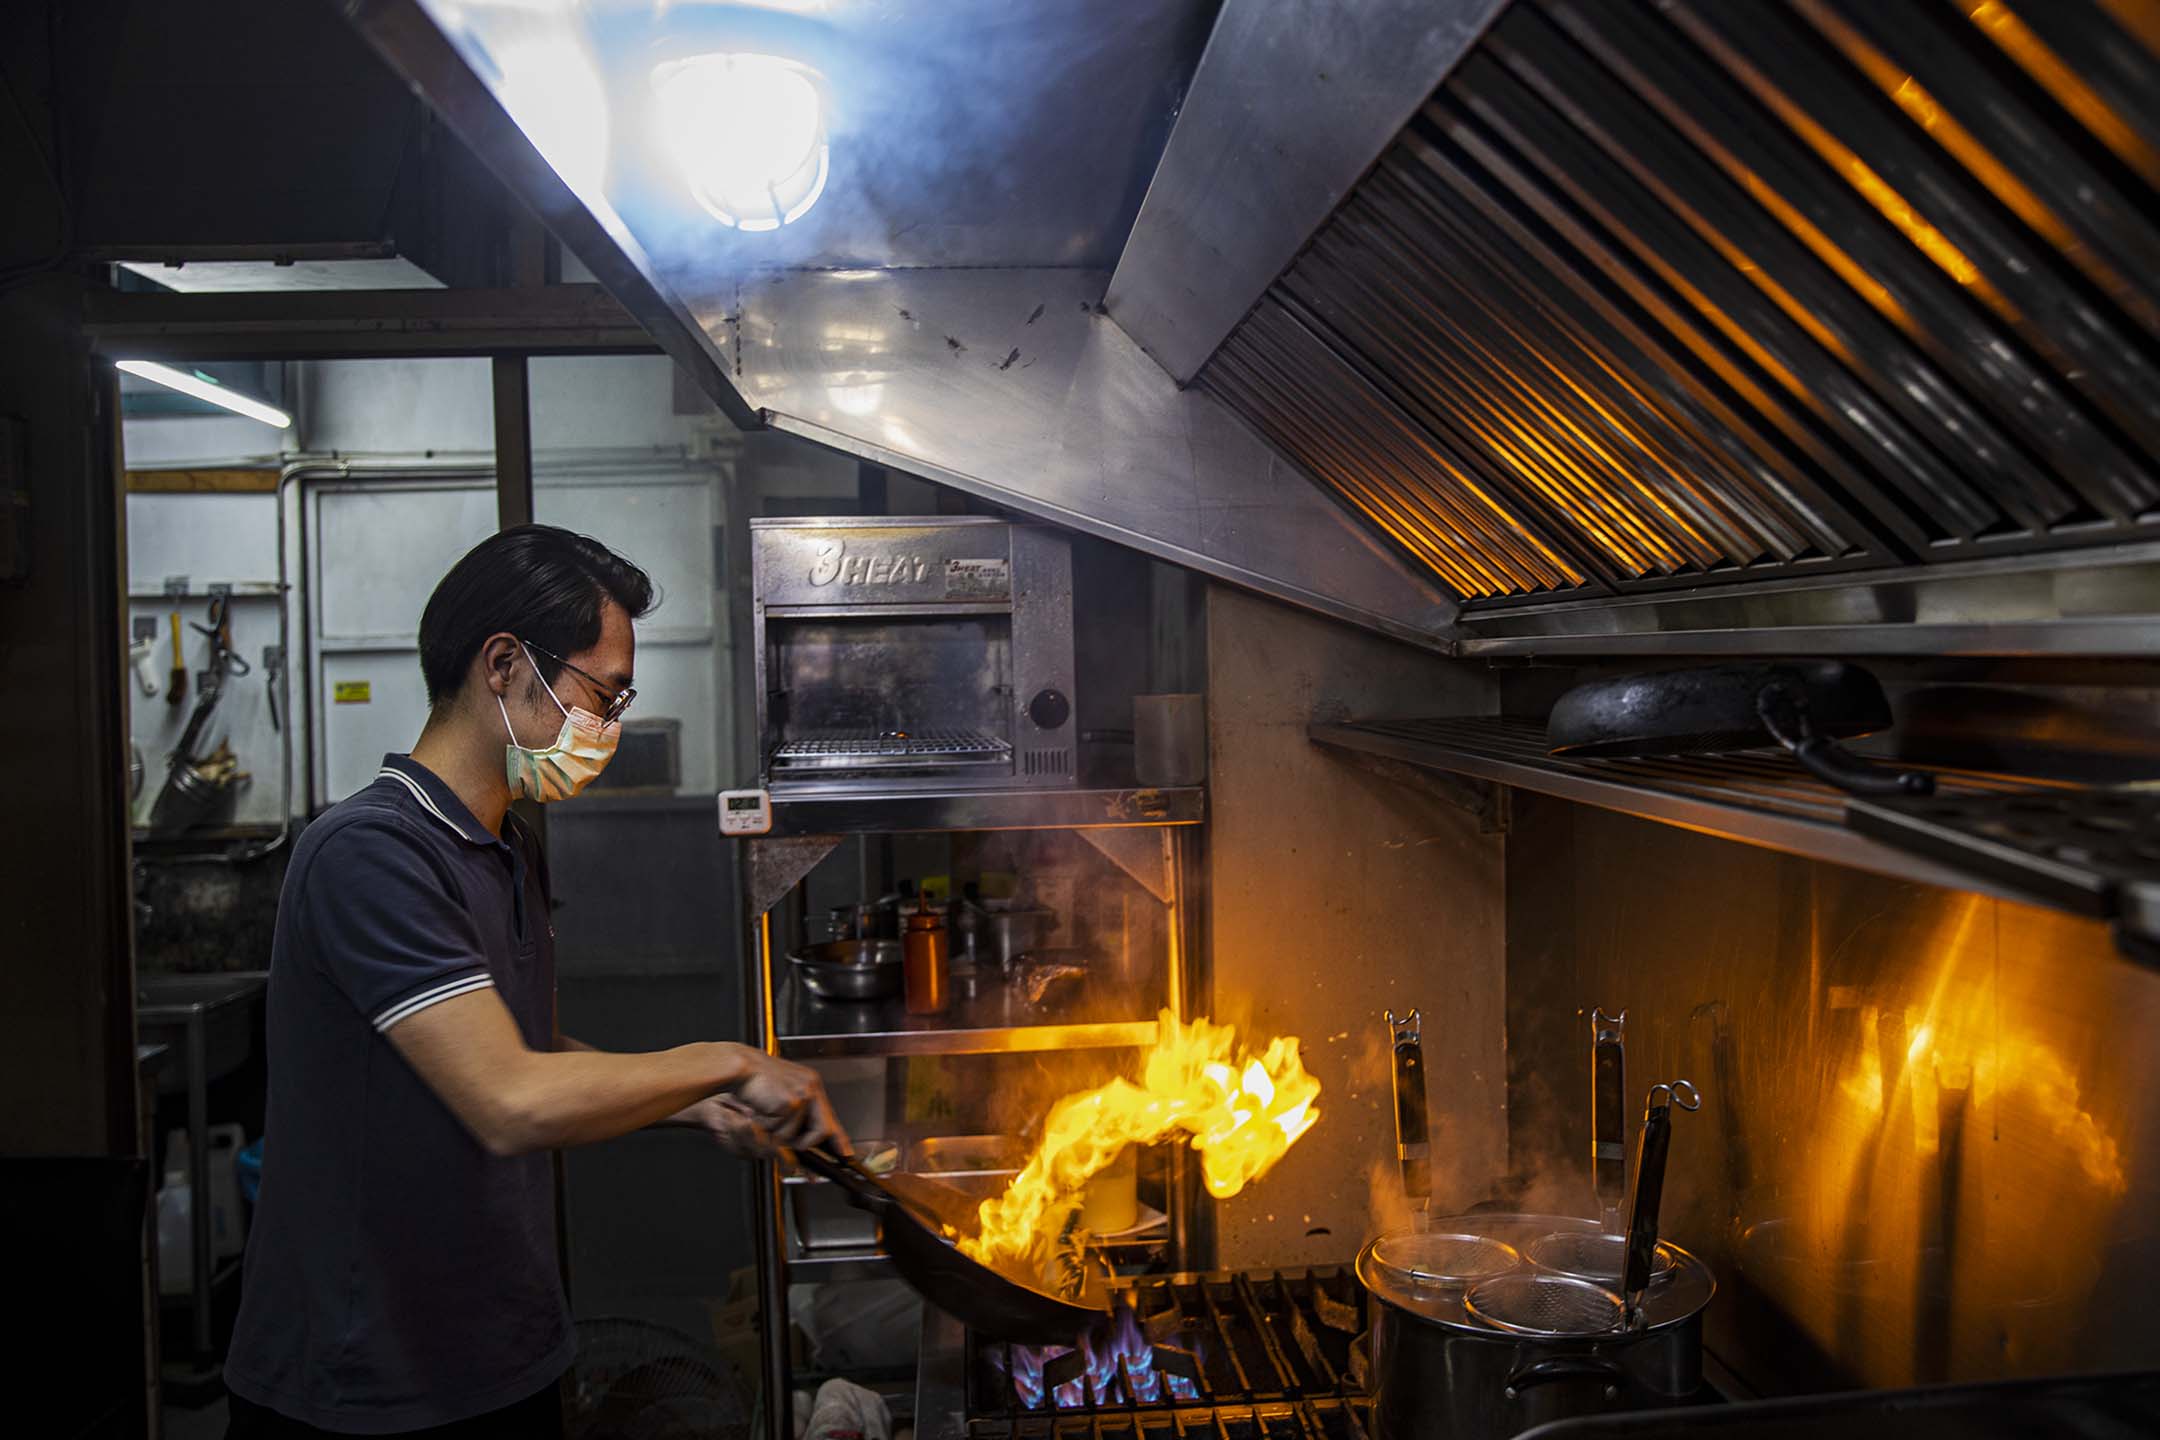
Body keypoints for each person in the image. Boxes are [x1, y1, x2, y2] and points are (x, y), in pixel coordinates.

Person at [224, 525, 848, 1436]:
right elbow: (508, 1096)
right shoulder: (373, 853)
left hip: (499, 1350)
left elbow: (521, 1045)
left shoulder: (504, 848)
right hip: (367, 1383)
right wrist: (726, 1063)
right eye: (602, 693)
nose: (610, 728)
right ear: (506, 664)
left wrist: (690, 1106)